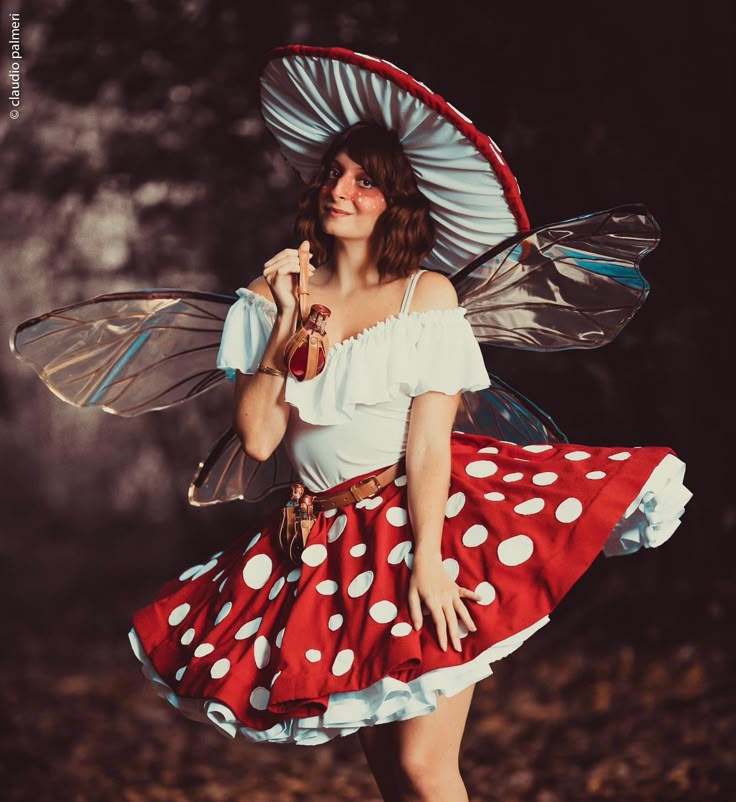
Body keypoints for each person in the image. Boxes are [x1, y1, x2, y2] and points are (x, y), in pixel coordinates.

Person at [11, 46, 692, 802]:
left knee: (426, 767)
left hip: (424, 523)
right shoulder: (267, 299)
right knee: (389, 772)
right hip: (326, 540)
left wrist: (429, 561)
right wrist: (284, 323)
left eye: (365, 181)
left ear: (395, 201)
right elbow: (262, 440)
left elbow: (431, 443)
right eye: (334, 174)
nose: (340, 189)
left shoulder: (425, 297)